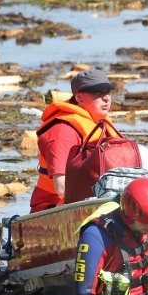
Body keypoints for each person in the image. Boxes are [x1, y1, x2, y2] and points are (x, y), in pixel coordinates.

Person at [29, 69, 117, 212]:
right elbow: (62, 187)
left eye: (107, 92)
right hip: (55, 208)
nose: (106, 98)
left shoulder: (101, 122)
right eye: (97, 93)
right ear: (79, 98)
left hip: (100, 198)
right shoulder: (61, 132)